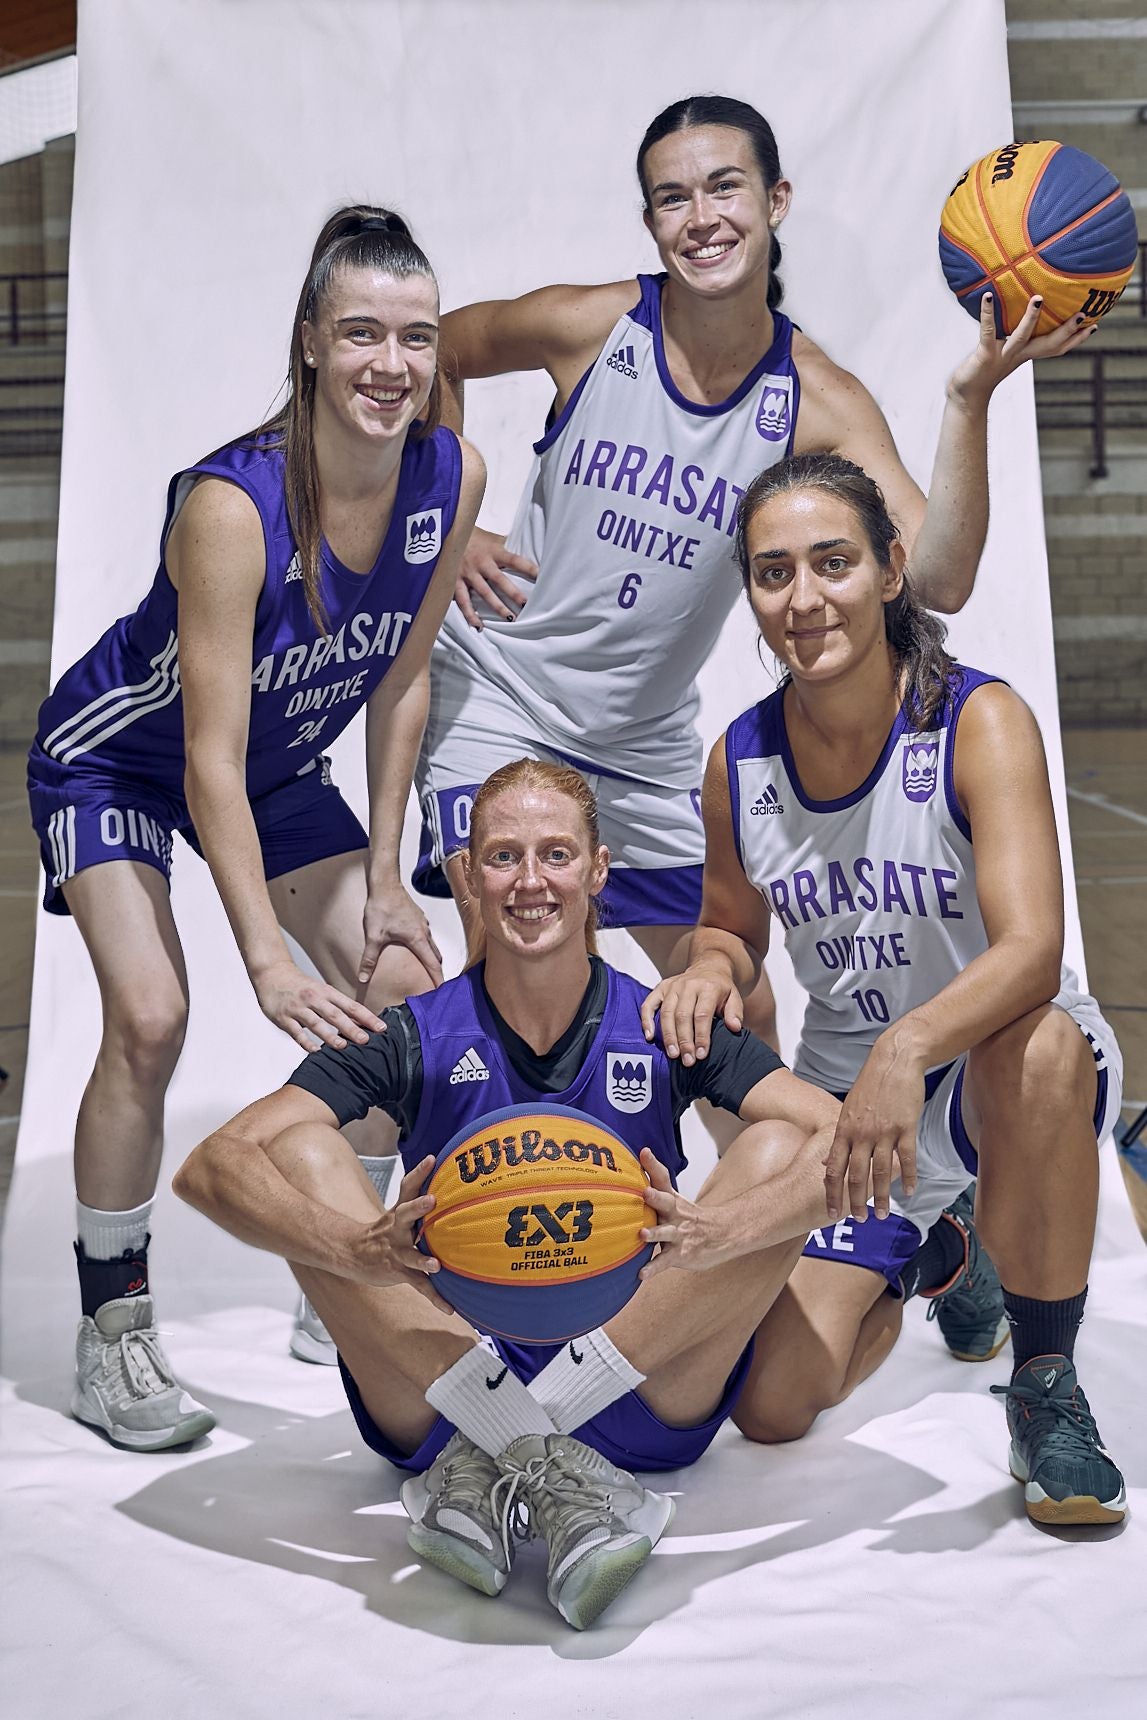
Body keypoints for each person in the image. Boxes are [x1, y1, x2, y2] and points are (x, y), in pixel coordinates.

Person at [415, 93, 1093, 1054]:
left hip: (641, 746)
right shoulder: (590, 327)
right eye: (671, 198)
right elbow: (439, 345)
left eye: (723, 187)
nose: (701, 218)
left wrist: (967, 397)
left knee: (735, 1009)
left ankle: (776, 1205)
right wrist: (450, 519)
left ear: (775, 201)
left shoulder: (816, 397)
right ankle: (500, 1191)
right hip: (500, 693)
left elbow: (936, 580)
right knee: (516, 957)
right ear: (650, 222)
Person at [174, 758, 844, 1629]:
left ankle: (510, 1458)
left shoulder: (660, 1021)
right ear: (467, 876)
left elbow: (850, 1141)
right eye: (503, 856)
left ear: (598, 871)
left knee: (780, 1146)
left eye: (557, 854)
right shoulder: (413, 1034)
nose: (530, 881)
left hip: (632, 1386)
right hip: (446, 1380)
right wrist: (353, 1250)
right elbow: (212, 1165)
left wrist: (722, 1230)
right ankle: (558, 1477)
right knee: (298, 1152)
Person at [27, 206, 485, 1447]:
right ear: (308, 346)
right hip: (121, 760)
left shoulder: (453, 473)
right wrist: (267, 962)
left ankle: (345, 1268)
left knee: (403, 996)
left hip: (275, 761)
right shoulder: (233, 510)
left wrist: (386, 872)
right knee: (152, 1016)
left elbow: (402, 679)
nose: (392, 364)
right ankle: (111, 1332)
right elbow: (203, 762)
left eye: (417, 337)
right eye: (361, 336)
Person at [641, 452, 1127, 1527]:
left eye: (832, 563)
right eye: (773, 574)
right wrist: (706, 970)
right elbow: (730, 923)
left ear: (890, 567)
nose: (803, 598)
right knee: (770, 1405)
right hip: (848, 1099)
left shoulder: (975, 719)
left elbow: (1033, 948)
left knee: (1037, 1047)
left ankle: (1045, 1385)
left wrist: (905, 1051)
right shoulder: (740, 761)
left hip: (989, 1061)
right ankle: (946, 1257)